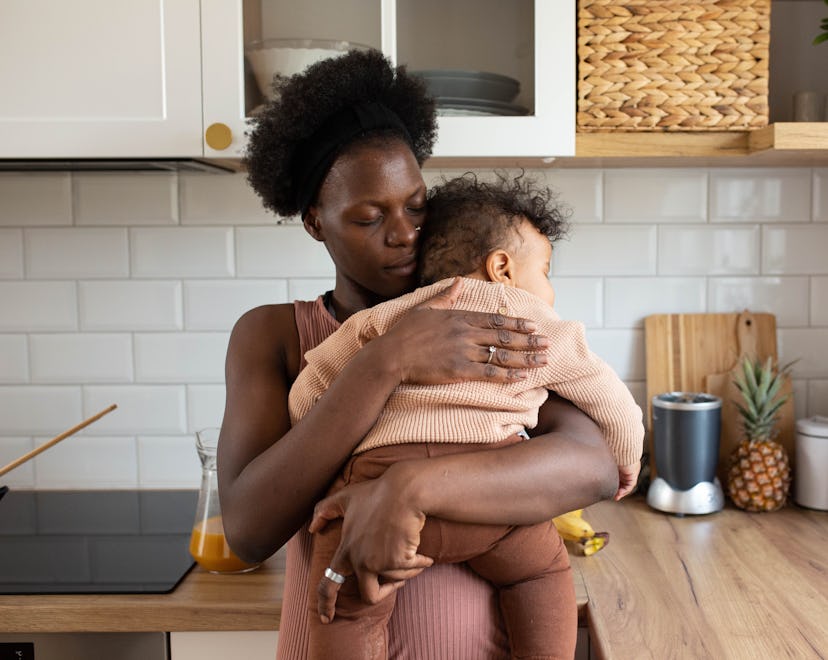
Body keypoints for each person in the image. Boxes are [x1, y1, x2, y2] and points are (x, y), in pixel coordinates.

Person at [218, 47, 619, 660]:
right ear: (315, 221)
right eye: (369, 217)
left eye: (415, 205)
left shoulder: (490, 312)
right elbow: (249, 529)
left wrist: (408, 487)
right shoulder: (274, 335)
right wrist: (387, 360)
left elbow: (591, 466)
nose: (403, 232)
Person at [289, 173, 644, 659]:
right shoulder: (535, 326)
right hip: (489, 498)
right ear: (501, 267)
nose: (549, 287)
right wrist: (628, 457)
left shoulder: (389, 317)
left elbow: (310, 392)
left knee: (346, 608)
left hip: (372, 494)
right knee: (540, 574)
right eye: (545, 270)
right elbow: (608, 396)